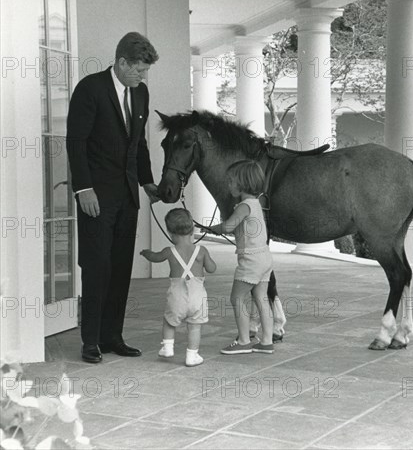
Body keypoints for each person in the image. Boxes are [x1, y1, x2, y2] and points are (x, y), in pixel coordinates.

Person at [66, 32, 160, 364]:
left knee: (120, 267)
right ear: (121, 63)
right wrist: (83, 189)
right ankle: (90, 340)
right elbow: (76, 143)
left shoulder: (141, 93)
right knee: (97, 266)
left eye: (145, 71)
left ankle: (112, 337)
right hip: (95, 195)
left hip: (127, 196)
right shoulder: (89, 89)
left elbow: (139, 142)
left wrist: (147, 182)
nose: (143, 76)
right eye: (139, 69)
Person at [211, 160, 275, 355]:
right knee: (261, 297)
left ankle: (244, 340)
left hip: (251, 260)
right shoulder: (256, 204)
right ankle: (266, 341)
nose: (228, 185)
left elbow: (229, 227)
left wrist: (215, 228)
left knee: (236, 297)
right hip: (265, 257)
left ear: (242, 183)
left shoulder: (243, 206)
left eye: (231, 181)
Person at [140, 209, 216, 367]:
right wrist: (208, 262)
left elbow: (155, 257)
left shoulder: (169, 252)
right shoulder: (201, 251)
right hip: (197, 297)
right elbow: (211, 268)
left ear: (170, 232)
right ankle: (192, 356)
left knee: (169, 321)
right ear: (192, 229)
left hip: (176, 296)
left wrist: (147, 253)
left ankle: (167, 347)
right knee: (195, 327)